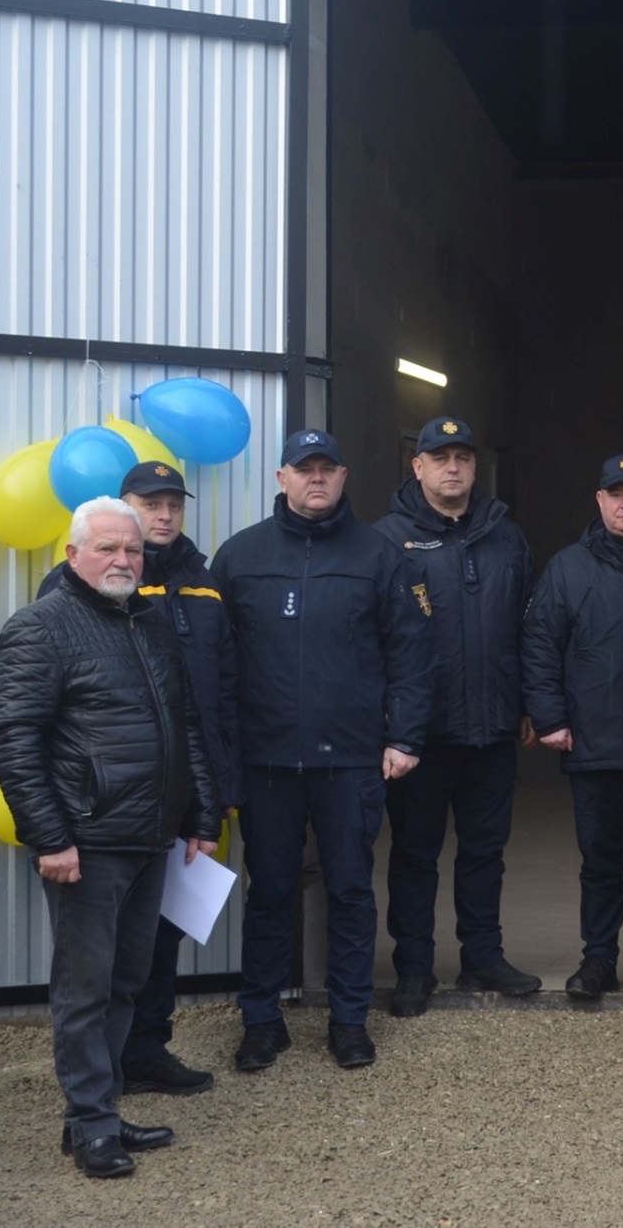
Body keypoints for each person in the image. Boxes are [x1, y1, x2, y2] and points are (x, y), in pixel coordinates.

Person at [0, 497, 222, 1177]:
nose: (123, 560)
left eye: (132, 550)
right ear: (73, 555)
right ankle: (90, 1126)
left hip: (149, 840)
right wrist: (50, 837)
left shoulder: (148, 625)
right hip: (86, 844)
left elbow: (185, 729)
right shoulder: (40, 628)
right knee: (85, 990)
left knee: (127, 982)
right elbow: (11, 741)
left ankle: (99, 1110)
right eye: (108, 549)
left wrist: (200, 815)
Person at [212, 429, 433, 1072]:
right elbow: (215, 663)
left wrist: (404, 737)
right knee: (271, 891)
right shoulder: (240, 557)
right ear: (281, 478)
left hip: (351, 760)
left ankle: (348, 1020)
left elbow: (413, 657)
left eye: (327, 470)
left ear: (343, 478)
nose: (316, 480)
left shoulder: (380, 555)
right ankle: (260, 1020)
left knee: (349, 890)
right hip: (268, 761)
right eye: (303, 469)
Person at [35, 462, 237, 1097]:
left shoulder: (203, 583)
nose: (164, 515)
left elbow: (212, 697)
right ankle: (96, 1099)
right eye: (150, 504)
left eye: (173, 504)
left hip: (175, 796)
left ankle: (145, 1050)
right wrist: (51, 826)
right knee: (98, 966)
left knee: (158, 939)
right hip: (101, 811)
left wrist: (211, 798)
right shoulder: (64, 599)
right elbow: (30, 727)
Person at [374, 417, 538, 1017]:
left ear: (475, 466)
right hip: (421, 734)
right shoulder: (387, 541)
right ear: (416, 467)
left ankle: (483, 958)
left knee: (484, 851)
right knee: (415, 854)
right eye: (439, 457)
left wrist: (527, 703)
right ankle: (414, 967)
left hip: (492, 727)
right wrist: (392, 725)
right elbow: (376, 641)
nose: (452, 467)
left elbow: (528, 628)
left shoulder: (506, 536)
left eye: (462, 458)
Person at [522, 452, 623, 1000]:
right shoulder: (569, 566)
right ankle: (599, 960)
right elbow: (541, 644)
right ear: (600, 501)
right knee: (600, 862)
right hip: (593, 740)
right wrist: (550, 718)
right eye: (617, 494)